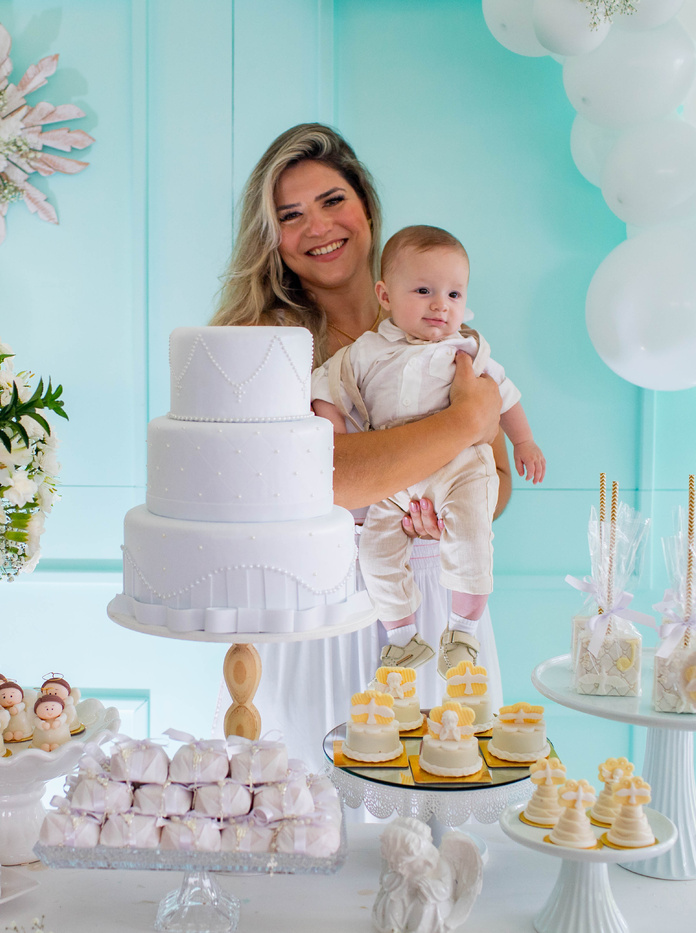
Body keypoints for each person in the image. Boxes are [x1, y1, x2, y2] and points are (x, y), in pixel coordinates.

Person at [209, 123, 509, 759]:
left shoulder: (435, 320)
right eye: (290, 215)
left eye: (333, 200)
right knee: (315, 799)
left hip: (440, 606)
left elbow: (498, 479)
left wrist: (447, 513)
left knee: (439, 785)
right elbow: (331, 479)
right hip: (321, 610)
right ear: (271, 238)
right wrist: (462, 422)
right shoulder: (263, 342)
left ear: (367, 208)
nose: (318, 226)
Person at [313, 225, 545, 675]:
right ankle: (402, 635)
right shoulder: (366, 351)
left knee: (471, 536)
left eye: (454, 294)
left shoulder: (465, 351)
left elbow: (504, 396)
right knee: (376, 551)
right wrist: (335, 432)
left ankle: (464, 628)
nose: (441, 305)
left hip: (459, 468)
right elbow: (327, 388)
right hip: (394, 478)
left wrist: (524, 441)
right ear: (385, 295)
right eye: (424, 291)